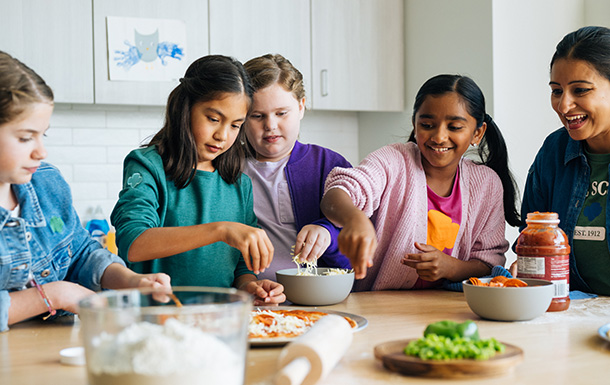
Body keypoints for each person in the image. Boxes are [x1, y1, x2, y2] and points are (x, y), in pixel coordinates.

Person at [0, 51, 171, 332]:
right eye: (25, 137)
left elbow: (81, 252)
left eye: (44, 135)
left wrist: (131, 281)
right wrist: (55, 295)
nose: (41, 151)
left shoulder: (46, 183)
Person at [110, 55, 285, 305]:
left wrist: (250, 287)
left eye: (235, 125)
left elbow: (239, 269)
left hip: (220, 320)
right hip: (156, 321)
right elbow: (133, 243)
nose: (222, 136)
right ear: (185, 107)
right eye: (213, 119)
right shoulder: (147, 165)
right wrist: (221, 230)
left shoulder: (239, 184)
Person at [321, 74, 521, 291]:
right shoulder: (393, 161)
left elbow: (488, 264)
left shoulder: (486, 184)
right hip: (380, 305)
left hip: (448, 309)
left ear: (477, 133)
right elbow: (337, 193)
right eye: (427, 124)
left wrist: (451, 268)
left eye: (454, 127)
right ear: (414, 125)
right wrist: (354, 219)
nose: (439, 137)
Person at [241, 54, 352, 280]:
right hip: (249, 297)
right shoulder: (226, 168)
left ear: (301, 107)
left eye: (281, 113)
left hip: (316, 297)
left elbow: (356, 251)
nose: (270, 125)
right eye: (257, 115)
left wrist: (328, 234)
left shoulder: (329, 166)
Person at [520, 26, 610, 296]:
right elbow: (531, 240)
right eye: (557, 91)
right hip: (569, 310)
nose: (564, 106)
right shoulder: (554, 152)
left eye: (580, 90)